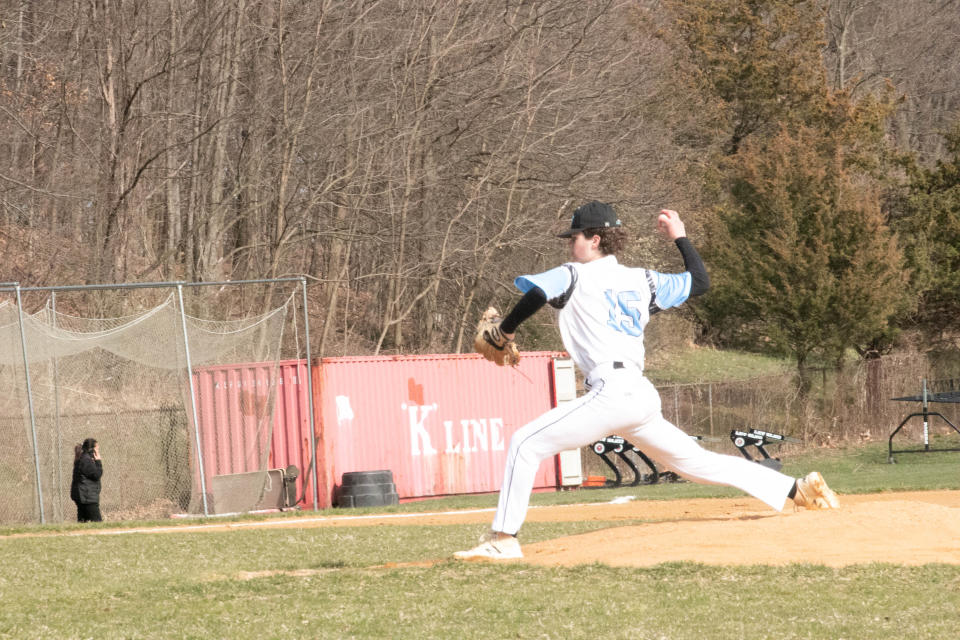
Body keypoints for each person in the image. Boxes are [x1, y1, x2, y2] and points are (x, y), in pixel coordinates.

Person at [454, 201, 839, 560]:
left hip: (611, 391)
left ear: (595, 239)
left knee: (524, 443)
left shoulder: (573, 274)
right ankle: (796, 489)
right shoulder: (644, 281)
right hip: (638, 395)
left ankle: (504, 540)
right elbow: (699, 283)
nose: (571, 245)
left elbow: (538, 292)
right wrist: (680, 237)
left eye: (575, 237)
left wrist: (504, 331)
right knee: (697, 463)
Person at [70, 438, 103, 522]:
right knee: (97, 523)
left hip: (84, 496)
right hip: (87, 498)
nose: (98, 451)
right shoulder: (86, 460)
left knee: (83, 522)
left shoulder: (84, 459)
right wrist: (98, 462)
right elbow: (96, 475)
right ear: (92, 450)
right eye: (97, 449)